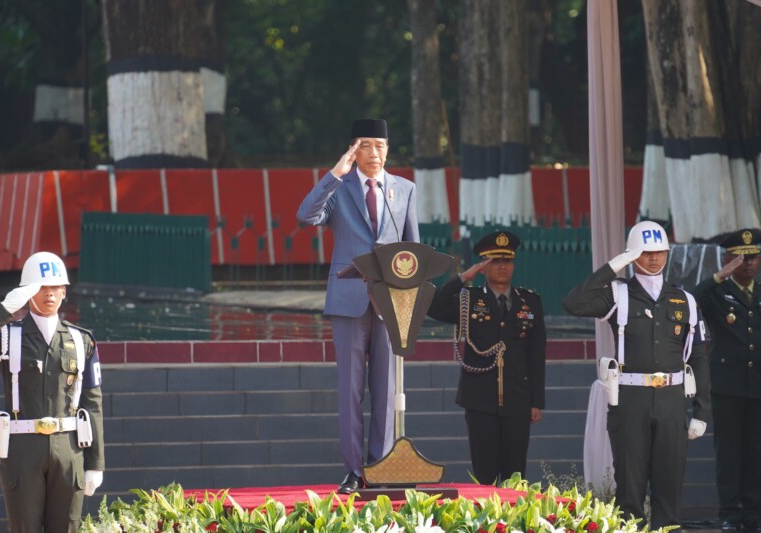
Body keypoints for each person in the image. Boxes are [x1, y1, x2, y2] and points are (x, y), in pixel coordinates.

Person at [297, 118, 419, 494]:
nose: (375, 153)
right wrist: (336, 172)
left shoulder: (404, 189)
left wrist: (409, 301)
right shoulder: (340, 187)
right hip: (348, 300)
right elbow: (306, 216)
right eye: (366, 146)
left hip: (389, 301)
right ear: (353, 150)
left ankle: (380, 466)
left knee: (385, 391)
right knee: (351, 390)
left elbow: (413, 249)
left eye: (380, 146)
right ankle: (353, 470)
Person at [563, 220, 710, 530]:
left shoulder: (685, 300)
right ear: (632, 255)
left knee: (669, 489)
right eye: (645, 252)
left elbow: (698, 357)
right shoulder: (618, 294)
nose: (653, 258)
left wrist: (701, 410)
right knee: (630, 490)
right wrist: (613, 266)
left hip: (671, 401)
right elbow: (573, 304)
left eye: (659, 252)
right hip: (631, 400)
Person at [0, 251, 104, 532]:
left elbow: (93, 403)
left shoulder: (81, 339)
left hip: (68, 448)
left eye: (55, 288)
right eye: (41, 288)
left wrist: (95, 463)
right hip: (22, 448)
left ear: (64, 292)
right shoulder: (7, 336)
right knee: (24, 527)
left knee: (66, 528)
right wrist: (2, 310)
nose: (49, 294)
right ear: (27, 293)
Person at [427, 231, 546, 485]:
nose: (502, 267)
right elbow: (433, 306)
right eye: (494, 261)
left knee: (515, 475)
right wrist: (462, 278)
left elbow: (536, 354)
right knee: (484, 474)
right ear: (483, 266)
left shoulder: (530, 302)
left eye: (507, 261)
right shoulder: (469, 299)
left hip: (517, 397)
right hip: (480, 398)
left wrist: (536, 401)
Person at [693, 228, 761, 533]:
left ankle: (754, 515)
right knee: (730, 455)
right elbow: (691, 299)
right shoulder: (717, 293)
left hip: (758, 385)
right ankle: (730, 514)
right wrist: (720, 275)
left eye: (753, 257)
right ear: (728, 259)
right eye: (740, 258)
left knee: (756, 453)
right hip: (727, 387)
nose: (747, 263)